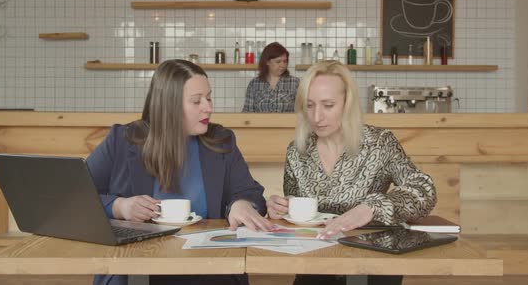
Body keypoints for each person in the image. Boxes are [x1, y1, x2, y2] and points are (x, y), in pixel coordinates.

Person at [87, 59, 273, 285]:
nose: (208, 107)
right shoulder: (122, 140)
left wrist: (241, 204)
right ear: (168, 105)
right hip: (138, 268)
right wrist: (119, 206)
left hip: (210, 268)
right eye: (196, 101)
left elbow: (251, 193)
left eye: (209, 98)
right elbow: (74, 196)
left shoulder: (222, 141)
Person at [266, 61, 437, 285]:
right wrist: (281, 209)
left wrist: (372, 208)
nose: (317, 117)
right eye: (309, 105)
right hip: (315, 266)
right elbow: (298, 215)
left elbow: (424, 191)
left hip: (371, 267)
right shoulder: (298, 150)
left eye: (328, 105)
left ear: (348, 104)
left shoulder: (379, 143)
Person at [242, 42, 299, 112]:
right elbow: (247, 112)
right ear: (267, 62)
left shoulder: (295, 83)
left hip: (288, 123)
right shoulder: (254, 84)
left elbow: (302, 111)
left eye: (285, 61)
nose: (282, 65)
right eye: (278, 62)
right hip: (260, 123)